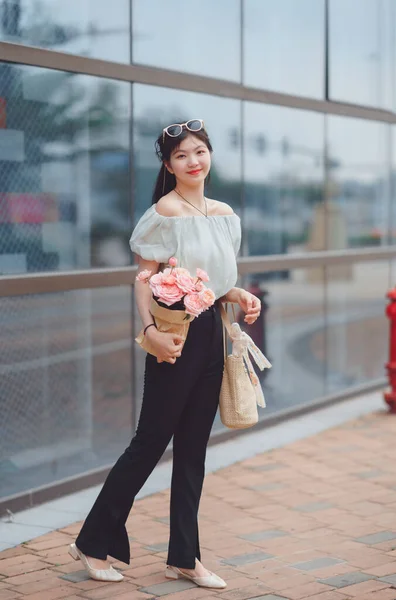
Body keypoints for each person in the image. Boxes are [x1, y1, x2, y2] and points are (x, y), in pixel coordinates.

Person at [68, 119, 261, 589]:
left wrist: (238, 295)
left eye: (199, 151)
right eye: (181, 155)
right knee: (149, 443)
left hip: (211, 333)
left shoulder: (222, 213)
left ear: (210, 154)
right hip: (173, 337)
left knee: (193, 448)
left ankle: (185, 557)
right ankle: (93, 542)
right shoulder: (166, 211)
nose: (193, 161)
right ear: (168, 164)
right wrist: (151, 331)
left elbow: (213, 279)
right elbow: (143, 279)